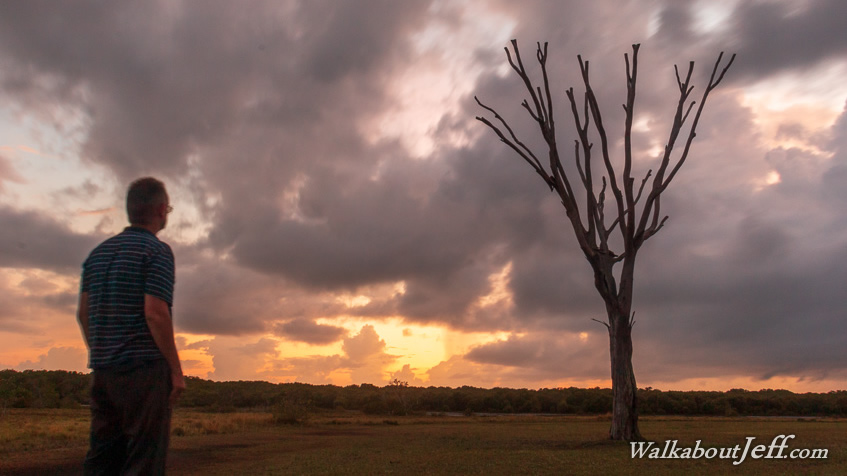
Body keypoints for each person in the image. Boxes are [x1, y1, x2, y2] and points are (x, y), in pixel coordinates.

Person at [76, 177, 185, 475]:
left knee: (102, 459)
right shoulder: (156, 252)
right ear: (161, 209)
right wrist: (175, 370)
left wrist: (102, 350)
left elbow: (83, 313)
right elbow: (156, 313)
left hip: (103, 372)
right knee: (144, 461)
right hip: (144, 374)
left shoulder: (97, 255)